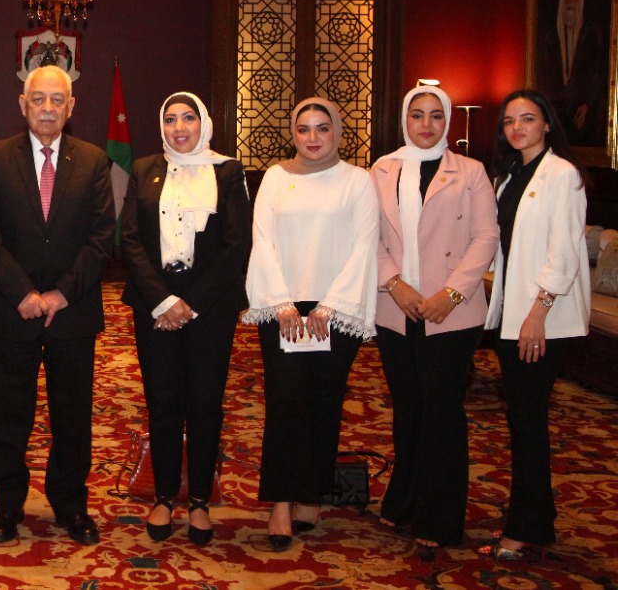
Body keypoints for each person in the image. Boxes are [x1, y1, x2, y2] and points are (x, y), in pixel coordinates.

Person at [0, 64, 115, 547]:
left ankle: (70, 503)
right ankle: (8, 504)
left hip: (74, 311)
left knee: (72, 414)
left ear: (71, 107)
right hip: (13, 311)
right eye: (38, 99)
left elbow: (101, 237)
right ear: (22, 104)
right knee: (10, 412)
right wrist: (23, 293)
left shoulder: (93, 160)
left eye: (57, 100)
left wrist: (61, 293)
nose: (47, 108)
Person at [242, 97, 378, 552]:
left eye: (322, 128)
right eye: (304, 129)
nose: (313, 137)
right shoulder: (275, 177)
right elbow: (262, 240)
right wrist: (281, 302)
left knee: (323, 400)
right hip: (282, 306)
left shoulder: (357, 181)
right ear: (293, 133)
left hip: (333, 310)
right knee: (285, 401)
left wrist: (330, 307)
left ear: (337, 131)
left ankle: (313, 491)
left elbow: (364, 246)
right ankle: (281, 501)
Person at [371, 85, 499, 553]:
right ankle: (404, 501)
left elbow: (486, 237)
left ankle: (441, 515)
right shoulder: (381, 169)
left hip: (452, 311)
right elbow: (369, 237)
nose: (426, 125)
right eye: (417, 115)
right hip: (396, 307)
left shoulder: (471, 171)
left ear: (447, 122)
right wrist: (395, 283)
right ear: (404, 120)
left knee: (442, 411)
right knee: (407, 407)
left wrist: (453, 292)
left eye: (435, 116)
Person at [119, 92, 250, 546]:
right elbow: (130, 239)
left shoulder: (228, 171)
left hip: (209, 307)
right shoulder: (143, 169)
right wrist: (163, 301)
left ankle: (198, 501)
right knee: (163, 400)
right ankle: (163, 496)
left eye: (188, 118)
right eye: (171, 119)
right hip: (155, 306)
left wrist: (189, 304)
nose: (179, 128)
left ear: (203, 123)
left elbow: (235, 244)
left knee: (205, 402)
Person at [480, 89, 590, 560]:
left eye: (527, 119)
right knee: (522, 418)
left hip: (542, 319)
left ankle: (522, 528)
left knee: (527, 421)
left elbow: (564, 253)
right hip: (513, 314)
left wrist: (537, 315)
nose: (517, 128)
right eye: (509, 121)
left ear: (547, 124)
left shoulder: (562, 175)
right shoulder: (510, 176)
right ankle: (536, 520)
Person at [535, 0, 607, 147]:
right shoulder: (552, 36)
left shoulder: (592, 33)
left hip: (583, 116)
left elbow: (597, 73)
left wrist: (587, 104)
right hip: (558, 116)